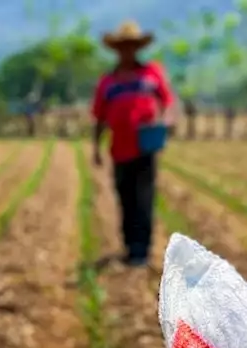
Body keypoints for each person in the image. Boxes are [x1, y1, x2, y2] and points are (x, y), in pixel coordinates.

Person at [91, 20, 175, 268]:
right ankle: (129, 247)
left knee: (144, 197)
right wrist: (96, 147)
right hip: (119, 149)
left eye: (131, 46)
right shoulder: (108, 82)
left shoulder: (151, 74)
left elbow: (168, 102)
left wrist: (167, 122)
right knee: (125, 197)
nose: (127, 51)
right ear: (117, 50)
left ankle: (142, 250)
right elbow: (99, 117)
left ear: (137, 48)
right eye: (123, 47)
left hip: (145, 146)